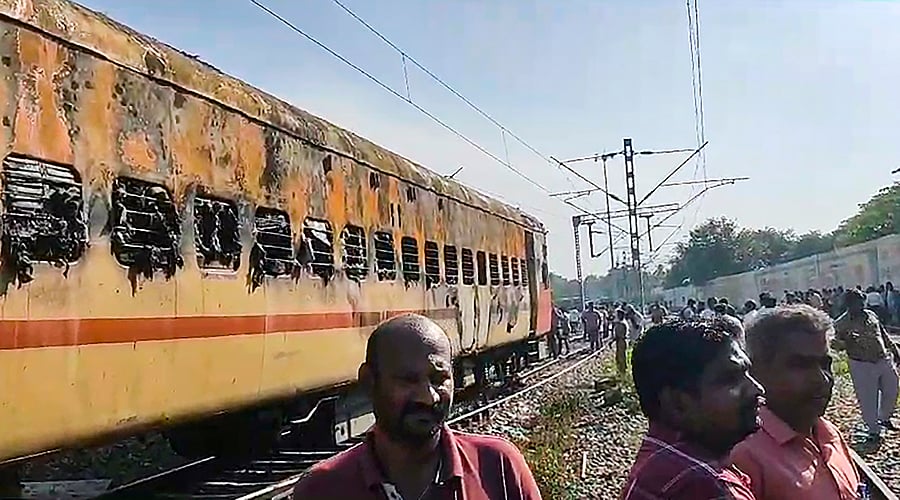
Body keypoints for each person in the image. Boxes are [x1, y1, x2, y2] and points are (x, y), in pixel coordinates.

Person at [292, 314, 542, 499]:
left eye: (438, 379)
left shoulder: (497, 467)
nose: (428, 397)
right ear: (369, 382)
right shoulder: (321, 489)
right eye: (408, 380)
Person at [621, 319, 762, 500]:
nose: (757, 389)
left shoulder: (664, 459)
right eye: (731, 379)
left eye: (747, 374)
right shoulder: (703, 485)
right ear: (677, 402)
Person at [732, 305, 861, 499]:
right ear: (756, 371)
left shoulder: (827, 432)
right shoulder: (744, 455)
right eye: (800, 365)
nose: (823, 379)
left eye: (825, 365)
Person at [833, 289, 900, 440]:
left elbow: (882, 333)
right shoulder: (841, 323)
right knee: (868, 397)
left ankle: (884, 418)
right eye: (856, 303)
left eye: (861, 301)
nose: (860, 305)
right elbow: (835, 345)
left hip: (882, 358)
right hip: (861, 363)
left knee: (892, 388)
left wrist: (895, 349)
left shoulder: (871, 314)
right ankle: (873, 429)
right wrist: (846, 341)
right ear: (848, 305)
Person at [614, 309, 628, 378]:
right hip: (620, 341)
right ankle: (620, 371)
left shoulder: (622, 324)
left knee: (621, 357)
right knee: (619, 357)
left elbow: (619, 334)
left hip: (621, 341)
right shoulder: (621, 323)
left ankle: (622, 372)